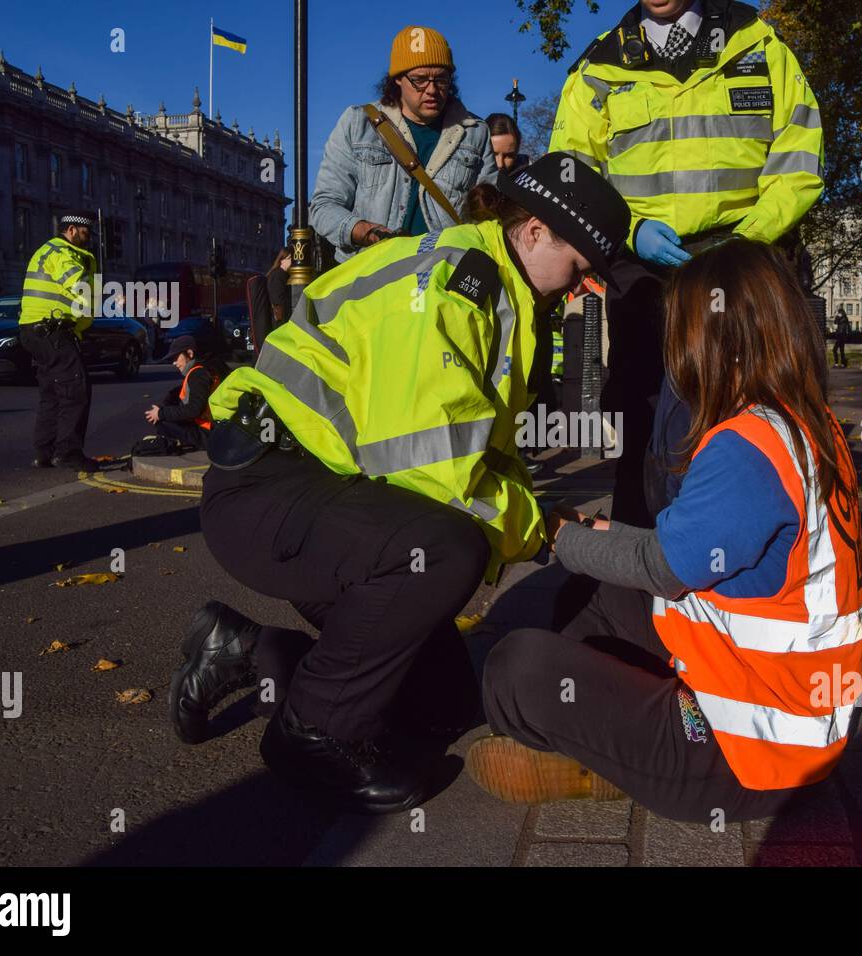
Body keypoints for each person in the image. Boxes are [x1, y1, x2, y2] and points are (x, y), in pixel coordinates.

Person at [168, 154, 631, 815]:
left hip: (318, 491)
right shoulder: (457, 288)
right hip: (270, 490)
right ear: (532, 231)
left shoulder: (499, 287)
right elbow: (435, 473)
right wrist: (543, 531)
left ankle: (248, 649)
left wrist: (541, 513)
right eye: (582, 268)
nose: (587, 288)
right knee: (447, 548)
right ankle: (311, 733)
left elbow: (479, 449)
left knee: (439, 707)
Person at [470, 238, 862, 822]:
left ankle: (611, 757)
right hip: (788, 715)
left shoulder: (745, 447)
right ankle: (613, 732)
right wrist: (601, 536)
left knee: (516, 668)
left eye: (678, 331)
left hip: (745, 757)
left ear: (714, 340)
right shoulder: (801, 422)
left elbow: (660, 567)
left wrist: (556, 534)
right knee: (601, 592)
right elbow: (685, 550)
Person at [550, 0, 825, 527]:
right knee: (641, 408)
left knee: (745, 403)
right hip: (641, 265)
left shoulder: (759, 45)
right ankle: (638, 555)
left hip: (739, 259)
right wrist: (629, 232)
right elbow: (571, 174)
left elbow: (800, 154)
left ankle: (744, 542)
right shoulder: (598, 68)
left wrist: (749, 237)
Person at [310, 26, 498, 264]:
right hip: (372, 273)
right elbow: (324, 206)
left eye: (441, 79)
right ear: (398, 79)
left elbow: (488, 219)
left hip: (443, 277)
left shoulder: (475, 132)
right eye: (419, 80)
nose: (431, 89)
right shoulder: (358, 123)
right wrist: (366, 232)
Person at [19, 210, 100, 472]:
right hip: (52, 330)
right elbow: (77, 284)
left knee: (52, 392)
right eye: (85, 233)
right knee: (76, 389)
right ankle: (68, 452)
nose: (89, 239)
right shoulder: (62, 253)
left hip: (35, 330)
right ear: (72, 230)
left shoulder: (46, 250)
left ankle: (45, 451)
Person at [143, 335, 224, 452]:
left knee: (162, 422)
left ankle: (180, 443)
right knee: (168, 413)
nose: (174, 363)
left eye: (176, 357)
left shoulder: (198, 375)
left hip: (208, 432)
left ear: (190, 354)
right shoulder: (204, 369)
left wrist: (161, 414)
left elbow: (194, 410)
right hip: (215, 428)